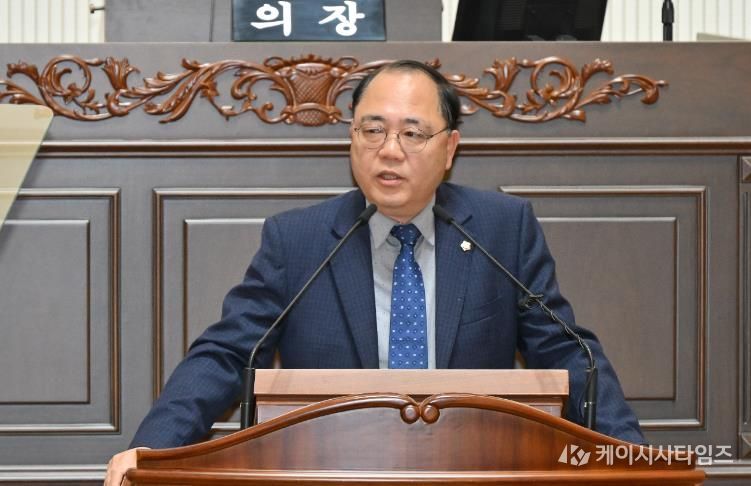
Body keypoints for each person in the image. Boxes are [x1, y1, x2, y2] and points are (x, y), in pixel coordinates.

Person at [104, 60, 644, 485]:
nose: (390, 151)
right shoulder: (298, 240)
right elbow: (227, 353)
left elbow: (568, 351)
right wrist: (151, 451)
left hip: (474, 470)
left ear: (449, 148)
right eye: (373, 130)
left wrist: (630, 457)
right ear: (352, 139)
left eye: (413, 133)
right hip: (331, 472)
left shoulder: (502, 229)